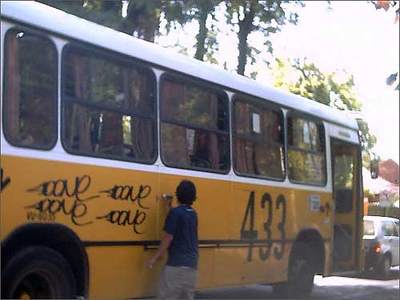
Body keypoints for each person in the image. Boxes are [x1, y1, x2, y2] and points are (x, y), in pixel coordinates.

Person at [147, 180, 199, 300]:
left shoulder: (175, 214)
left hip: (176, 266)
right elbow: (181, 220)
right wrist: (169, 207)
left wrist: (154, 258)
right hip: (192, 267)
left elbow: (168, 238)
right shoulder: (193, 214)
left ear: (178, 195)